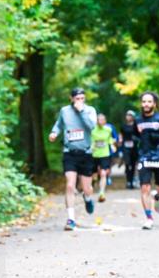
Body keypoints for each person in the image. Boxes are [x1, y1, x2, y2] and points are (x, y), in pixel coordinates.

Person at [49, 88, 98, 230]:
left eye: (82, 98)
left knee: (86, 188)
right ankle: (71, 219)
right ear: (71, 98)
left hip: (86, 153)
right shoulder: (64, 111)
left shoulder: (90, 110)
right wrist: (54, 132)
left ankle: (87, 198)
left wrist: (81, 111)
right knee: (70, 185)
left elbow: (92, 127)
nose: (80, 101)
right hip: (69, 153)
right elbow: (59, 124)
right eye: (77, 99)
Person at [134, 92, 159, 230]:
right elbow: (134, 135)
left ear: (154, 104)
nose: (146, 104)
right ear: (141, 103)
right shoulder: (137, 120)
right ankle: (149, 218)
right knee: (145, 188)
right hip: (144, 157)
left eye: (149, 101)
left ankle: (156, 198)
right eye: (144, 101)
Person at [91, 113, 115, 203]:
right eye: (99, 120)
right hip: (94, 155)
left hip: (105, 154)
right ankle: (92, 184)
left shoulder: (108, 130)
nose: (100, 121)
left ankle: (101, 193)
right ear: (96, 121)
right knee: (94, 176)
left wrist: (112, 145)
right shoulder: (93, 130)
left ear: (105, 121)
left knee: (103, 173)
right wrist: (91, 146)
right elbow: (91, 140)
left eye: (102, 119)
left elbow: (110, 139)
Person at [120, 110, 139, 189]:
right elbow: (121, 134)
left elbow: (140, 134)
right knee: (127, 164)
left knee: (134, 164)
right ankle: (128, 181)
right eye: (127, 115)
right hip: (126, 147)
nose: (128, 117)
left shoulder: (136, 126)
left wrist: (137, 139)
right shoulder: (123, 126)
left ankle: (133, 180)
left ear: (133, 117)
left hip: (134, 147)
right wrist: (120, 140)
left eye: (130, 115)